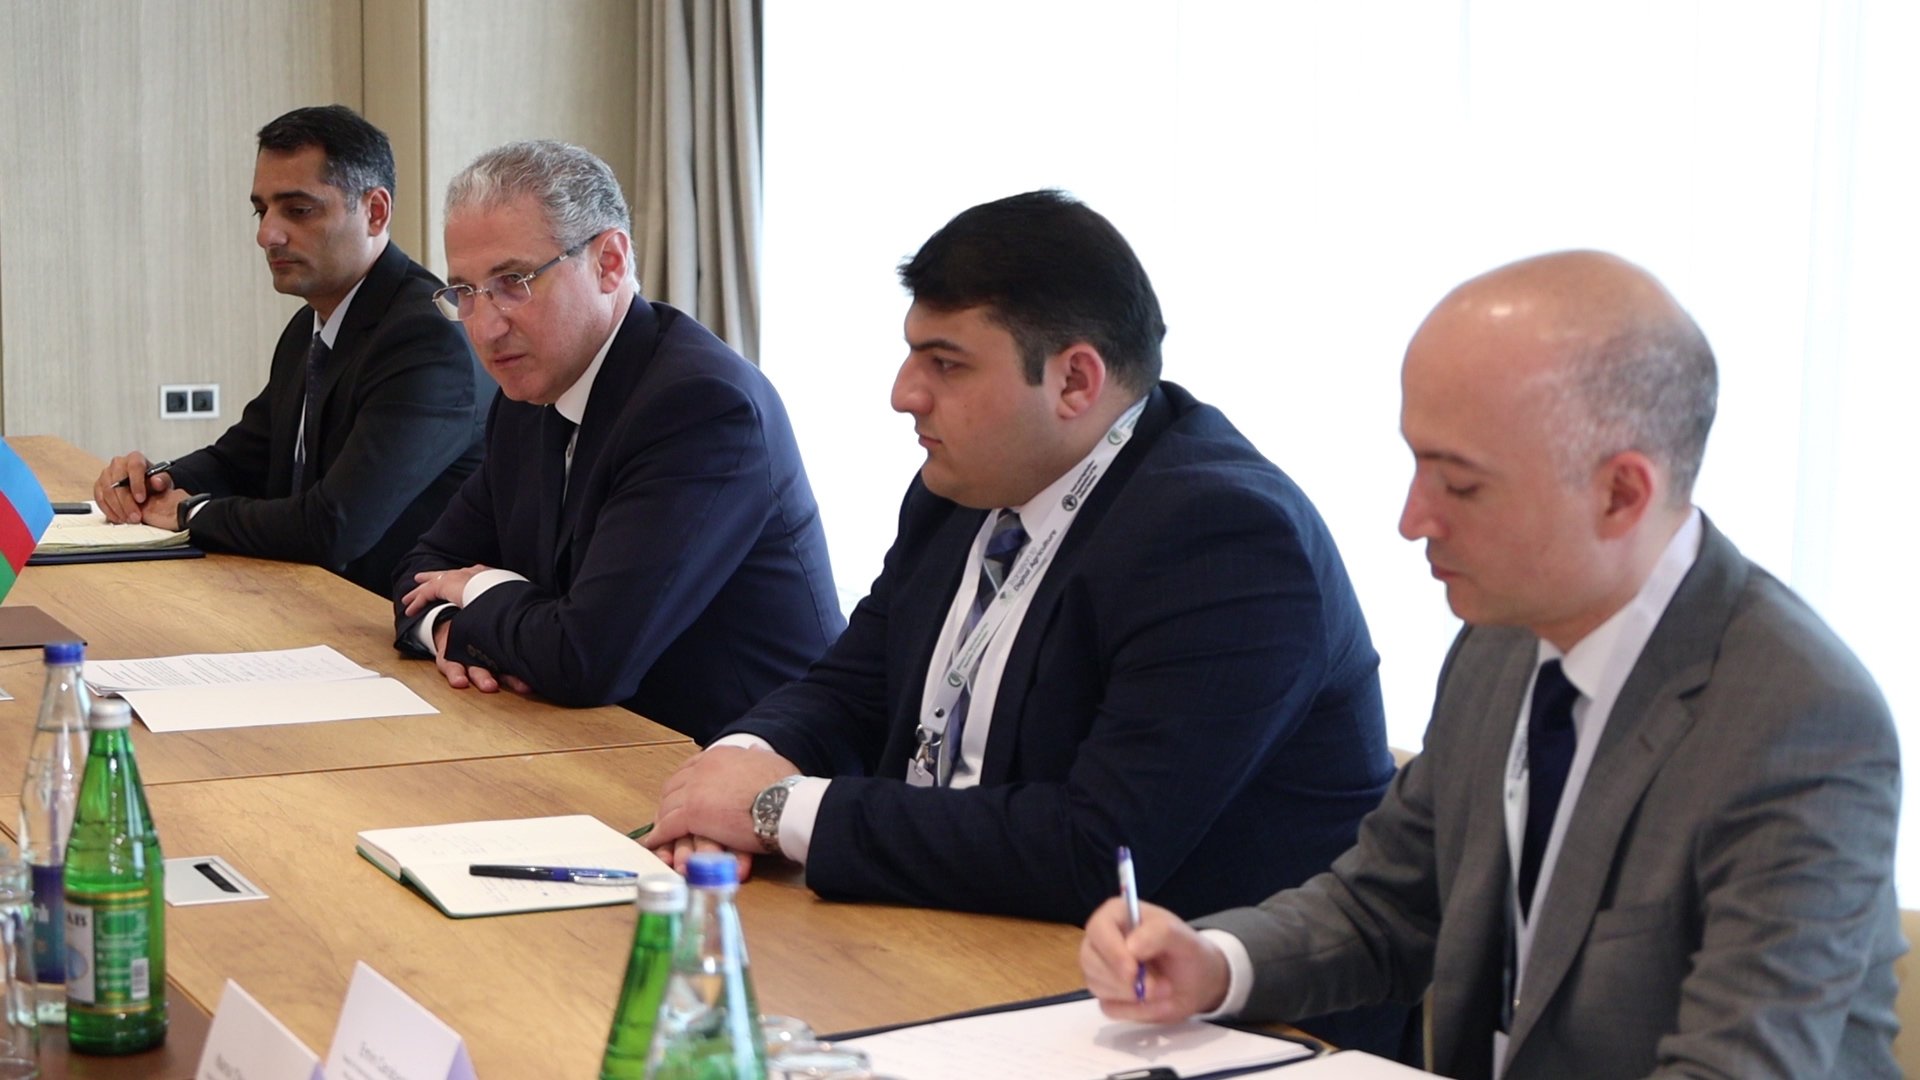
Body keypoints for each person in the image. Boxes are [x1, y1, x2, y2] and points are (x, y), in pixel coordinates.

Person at [1080, 251, 1902, 1079]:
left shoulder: (1799, 718)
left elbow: (1738, 1066)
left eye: (1462, 486)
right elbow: (1387, 905)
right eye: (1415, 463)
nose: (1412, 519)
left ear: (1621, 494)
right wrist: (1215, 963)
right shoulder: (1503, 637)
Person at [646, 189, 1400, 1049]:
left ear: (1075, 380)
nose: (903, 394)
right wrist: (739, 766)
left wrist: (777, 810)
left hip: (1207, 1027)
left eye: (947, 364)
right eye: (911, 354)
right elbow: (852, 686)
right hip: (965, 947)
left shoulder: (1224, 538)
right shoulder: (964, 487)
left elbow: (1095, 849)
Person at [392, 140, 842, 743]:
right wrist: (448, 626)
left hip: (731, 759)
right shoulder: (528, 397)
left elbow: (586, 658)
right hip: (586, 737)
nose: (486, 325)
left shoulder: (700, 407)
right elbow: (419, 571)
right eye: (466, 292)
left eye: (512, 282)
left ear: (609, 262)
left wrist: (475, 587)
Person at [94, 105, 489, 596]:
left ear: (375, 211)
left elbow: (334, 527)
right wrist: (150, 484)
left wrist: (188, 513)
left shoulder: (426, 340)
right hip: (305, 602)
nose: (267, 235)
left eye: (298, 210)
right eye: (261, 210)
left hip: (387, 620)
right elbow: (243, 460)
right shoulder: (310, 324)